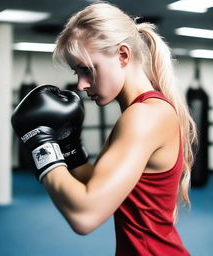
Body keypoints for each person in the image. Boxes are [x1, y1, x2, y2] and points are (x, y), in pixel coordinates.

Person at [11, 2, 197, 255]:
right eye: (77, 72)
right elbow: (101, 188)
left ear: (122, 55)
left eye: (87, 69)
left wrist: (41, 144)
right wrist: (69, 148)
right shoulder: (144, 111)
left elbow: (85, 216)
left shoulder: (144, 116)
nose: (81, 84)